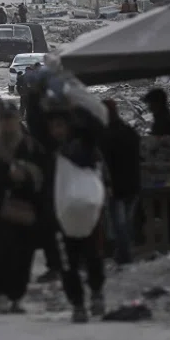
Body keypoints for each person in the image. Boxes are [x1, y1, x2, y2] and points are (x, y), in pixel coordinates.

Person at [0, 104, 43, 313]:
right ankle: (2, 294)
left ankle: (17, 296)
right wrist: (5, 178)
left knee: (23, 255)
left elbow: (42, 174)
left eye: (12, 120)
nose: (8, 125)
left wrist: (26, 177)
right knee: (0, 254)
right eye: (4, 121)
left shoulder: (29, 146)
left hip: (24, 209)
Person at [45, 107, 106, 323]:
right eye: (53, 127)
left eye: (60, 126)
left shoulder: (83, 148)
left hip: (84, 213)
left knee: (90, 257)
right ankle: (81, 302)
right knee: (71, 261)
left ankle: (92, 296)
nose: (56, 131)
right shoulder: (54, 151)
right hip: (66, 214)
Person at [101, 99, 141, 265]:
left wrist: (107, 184)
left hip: (117, 186)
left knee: (119, 224)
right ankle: (124, 253)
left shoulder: (106, 135)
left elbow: (106, 163)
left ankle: (125, 257)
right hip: (133, 183)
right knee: (127, 222)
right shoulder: (129, 131)